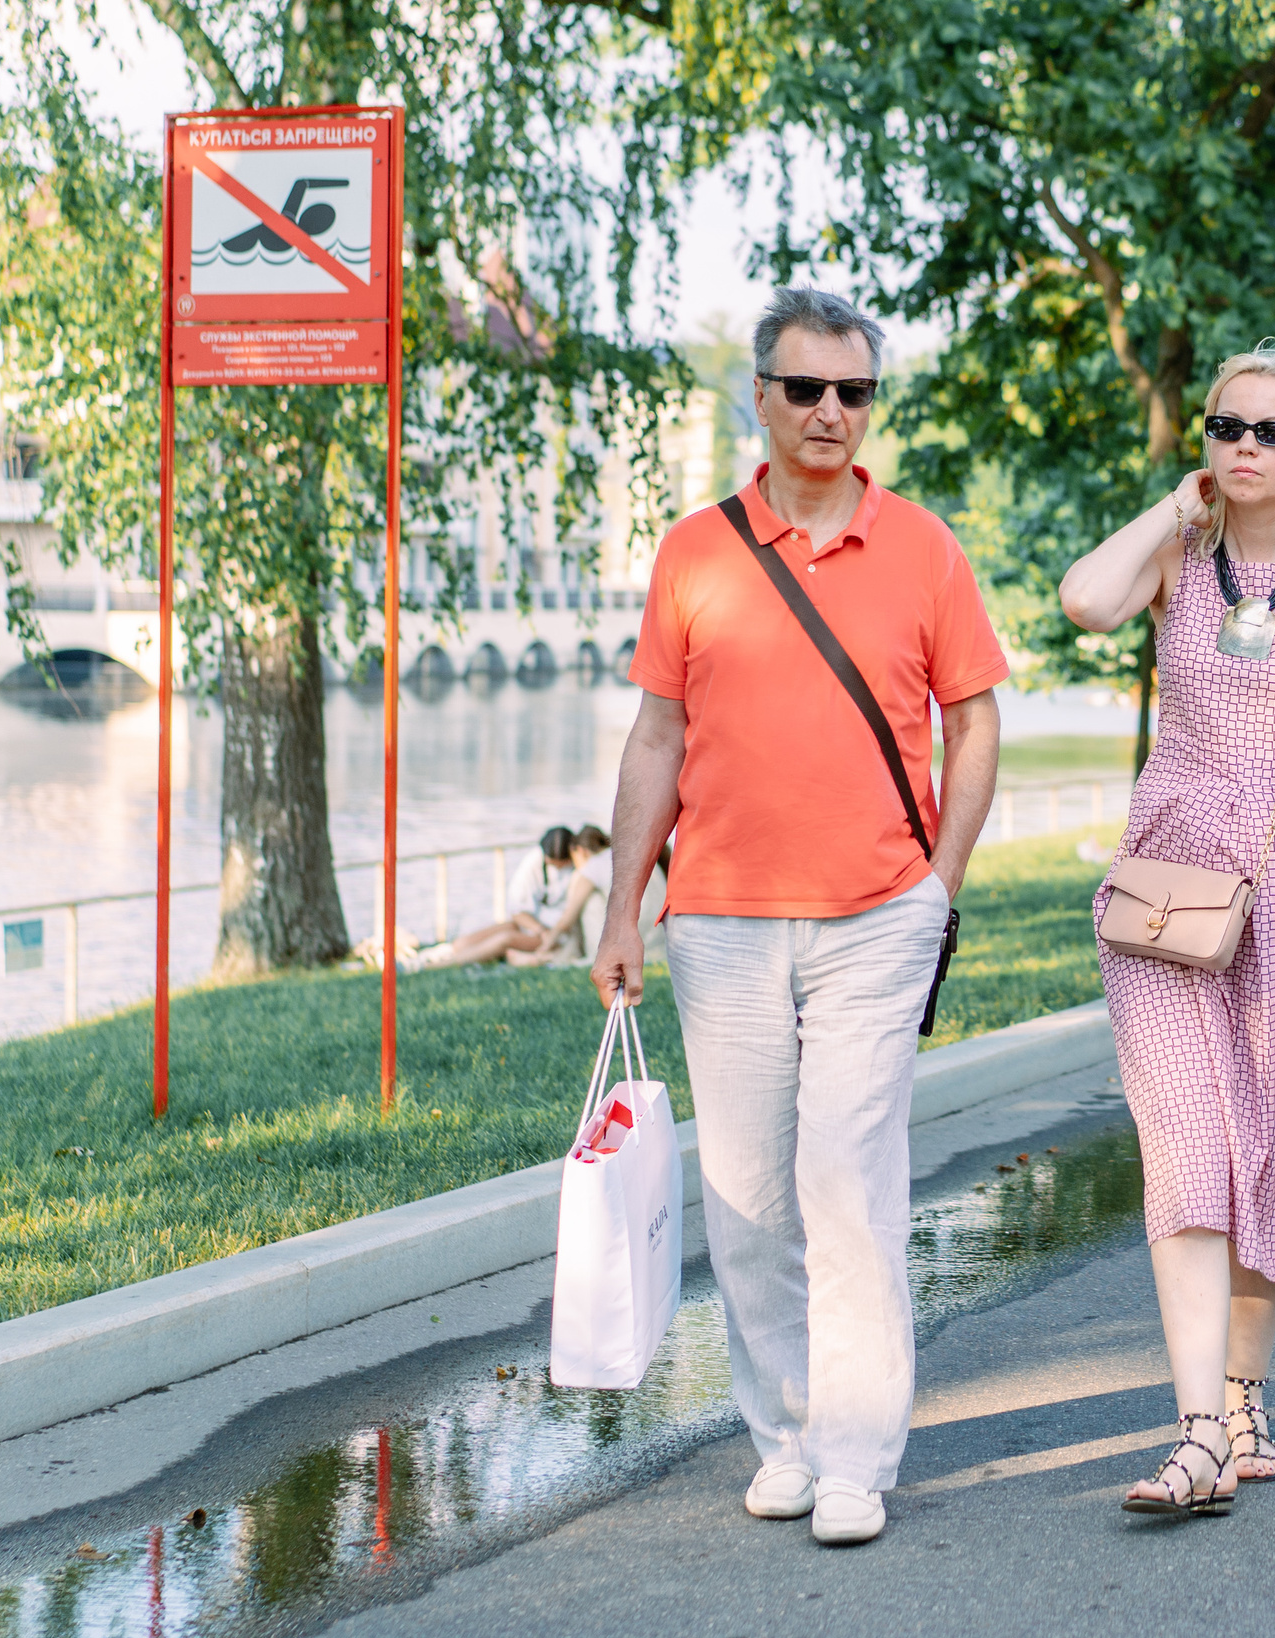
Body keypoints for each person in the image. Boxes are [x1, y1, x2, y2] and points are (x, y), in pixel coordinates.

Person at [590, 286, 1007, 1547]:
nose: (833, 412)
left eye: (855, 391)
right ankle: (784, 1433)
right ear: (760, 398)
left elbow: (975, 719)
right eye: (808, 388)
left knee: (846, 1177)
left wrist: (943, 876)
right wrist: (621, 908)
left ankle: (858, 1456)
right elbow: (657, 734)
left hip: (879, 914)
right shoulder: (693, 552)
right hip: (715, 920)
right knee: (750, 1197)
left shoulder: (925, 547)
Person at [1060, 346, 1275, 1518]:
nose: (1244, 448)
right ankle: (1199, 1430)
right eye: (1225, 428)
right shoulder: (1176, 557)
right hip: (1166, 892)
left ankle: (1242, 1403)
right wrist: (1172, 508)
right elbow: (1083, 602)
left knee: (1268, 1145)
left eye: (1270, 431)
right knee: (1187, 1147)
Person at [423, 826, 602, 969]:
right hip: (538, 927)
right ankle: (436, 955)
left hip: (557, 935)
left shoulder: (582, 871)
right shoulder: (536, 862)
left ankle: (443, 965)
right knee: (465, 942)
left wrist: (548, 936)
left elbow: (567, 919)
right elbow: (517, 909)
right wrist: (539, 929)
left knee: (505, 938)